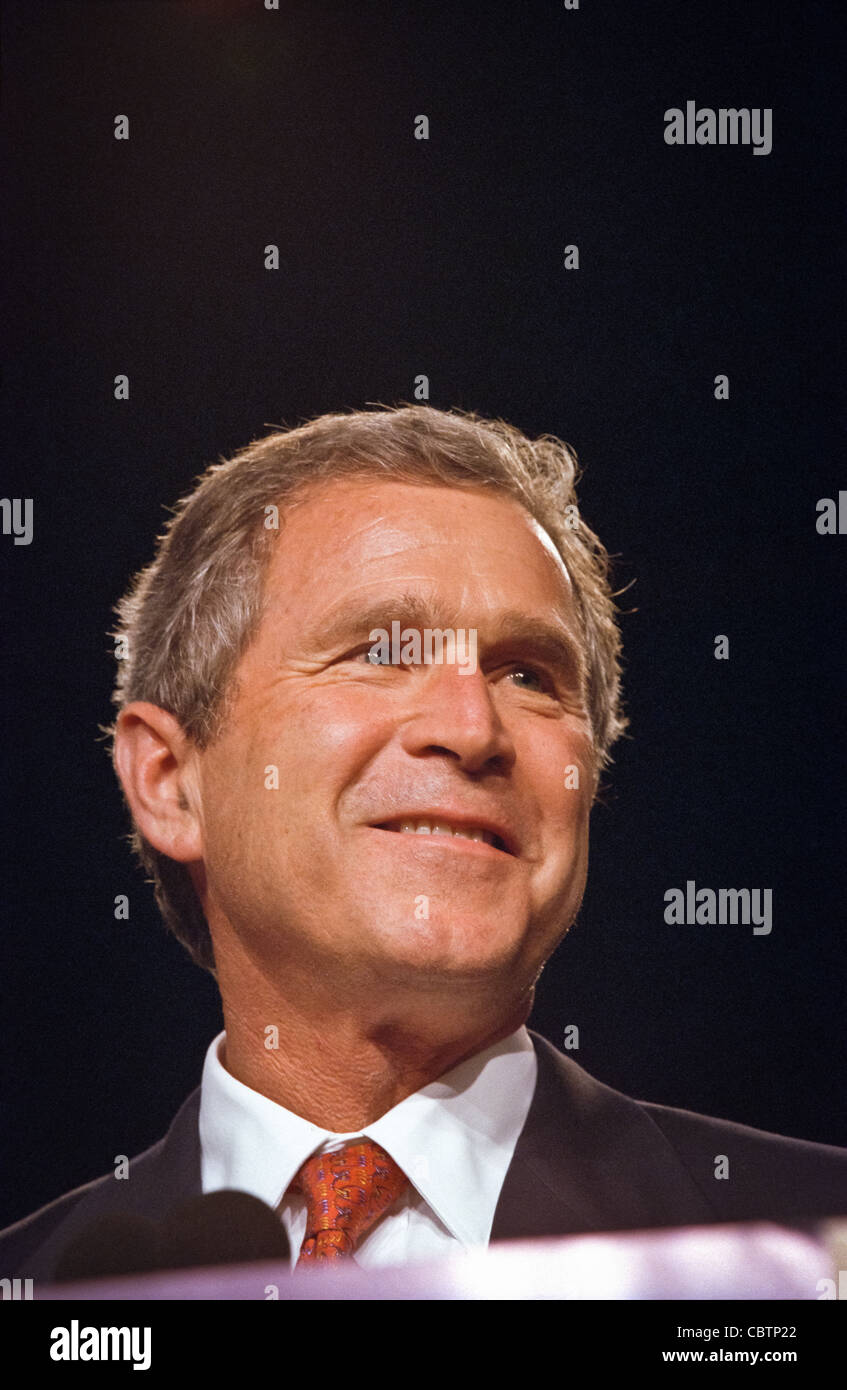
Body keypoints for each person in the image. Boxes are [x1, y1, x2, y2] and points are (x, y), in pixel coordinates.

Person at [1, 404, 845, 1284]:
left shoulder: (806, 1261)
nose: (472, 726)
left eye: (528, 674)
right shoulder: (44, 1286)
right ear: (171, 782)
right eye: (381, 651)